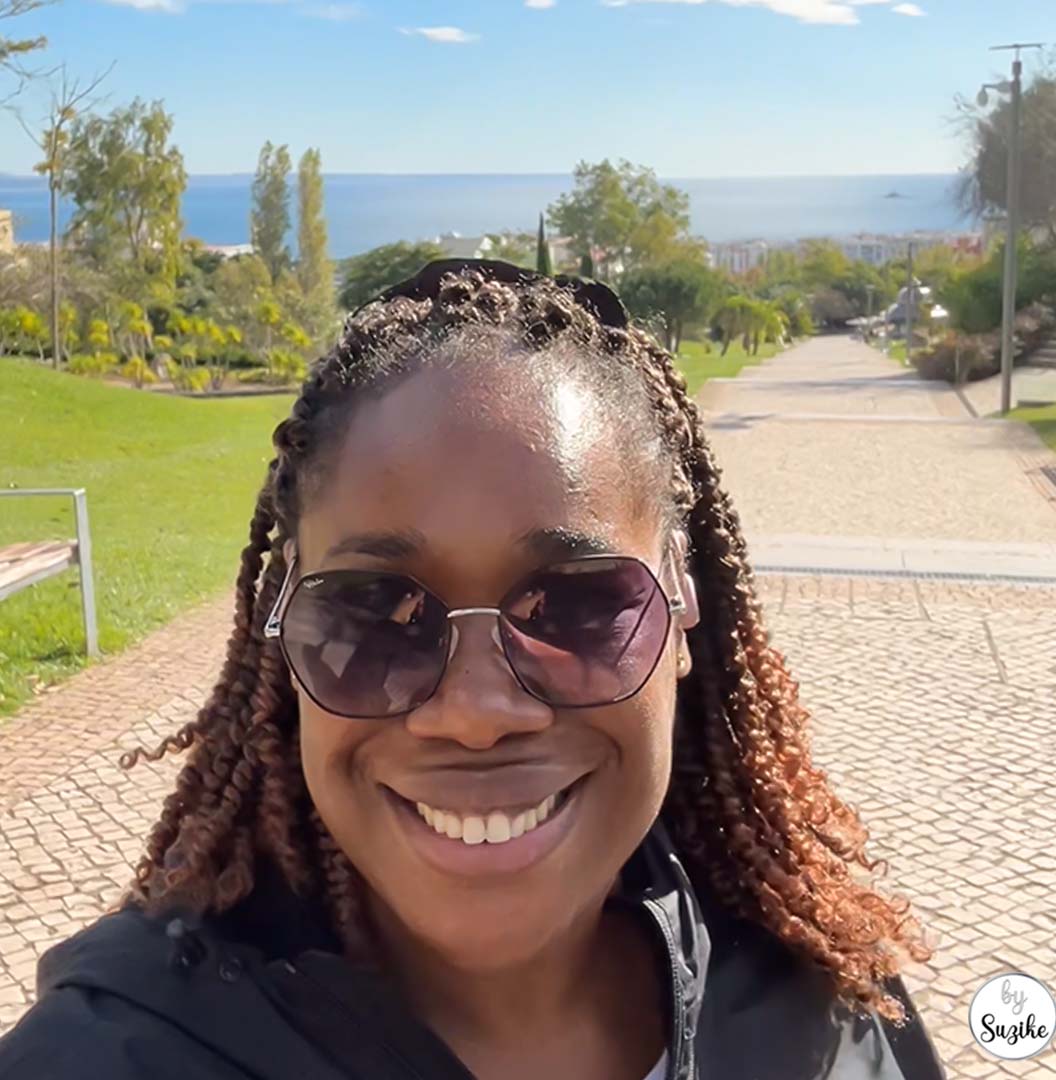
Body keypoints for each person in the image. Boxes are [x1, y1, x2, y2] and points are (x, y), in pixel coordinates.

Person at [0, 260, 947, 1080]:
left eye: (574, 605)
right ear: (279, 631)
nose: (475, 713)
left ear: (682, 612)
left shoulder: (825, 1004)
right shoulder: (108, 1058)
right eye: (376, 612)